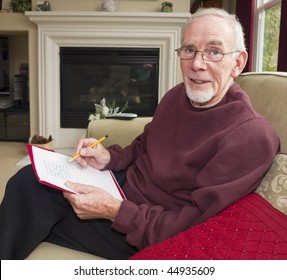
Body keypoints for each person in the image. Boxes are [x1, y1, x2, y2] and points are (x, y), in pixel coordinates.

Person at [0, 8, 280, 260]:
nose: (197, 64)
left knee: (30, 206)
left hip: (142, 227)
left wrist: (113, 210)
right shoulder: (176, 96)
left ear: (238, 62)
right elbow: (145, 144)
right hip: (122, 188)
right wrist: (108, 157)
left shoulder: (250, 137)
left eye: (214, 51)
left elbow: (197, 226)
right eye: (189, 50)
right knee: (28, 179)